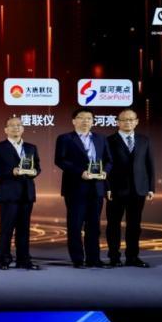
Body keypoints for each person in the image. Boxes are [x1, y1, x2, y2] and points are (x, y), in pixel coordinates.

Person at [54, 106, 113, 268]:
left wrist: (105, 172)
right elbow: (60, 160)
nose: (85, 121)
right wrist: (80, 172)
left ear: (93, 121)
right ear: (74, 121)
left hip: (97, 187)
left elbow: (109, 160)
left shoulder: (101, 138)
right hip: (75, 187)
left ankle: (94, 259)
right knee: (75, 225)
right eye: (81, 118)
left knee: (94, 225)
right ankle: (78, 259)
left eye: (89, 118)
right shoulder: (65, 138)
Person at [0, 116, 41, 270]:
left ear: (23, 128)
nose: (16, 128)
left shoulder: (31, 147)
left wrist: (35, 172)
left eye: (19, 125)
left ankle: (24, 260)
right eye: (12, 125)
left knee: (24, 229)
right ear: (6, 129)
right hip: (8, 193)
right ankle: (4, 259)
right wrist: (11, 171)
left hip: (27, 193)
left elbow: (37, 166)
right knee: (6, 228)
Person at [105, 108, 155, 268]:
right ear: (118, 122)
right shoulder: (109, 140)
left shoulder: (144, 140)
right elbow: (105, 166)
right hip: (116, 190)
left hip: (138, 189)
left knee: (134, 225)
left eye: (131, 119)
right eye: (124, 120)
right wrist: (107, 187)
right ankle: (114, 257)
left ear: (137, 121)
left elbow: (149, 165)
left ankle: (133, 257)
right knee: (113, 225)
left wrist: (151, 188)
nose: (128, 122)